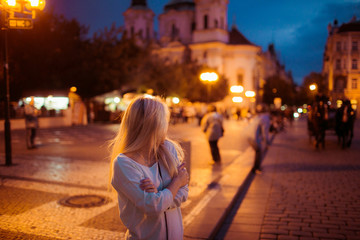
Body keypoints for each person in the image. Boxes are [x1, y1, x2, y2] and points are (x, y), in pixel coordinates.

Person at [109, 96, 189, 240]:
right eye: (164, 120)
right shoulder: (124, 163)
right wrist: (176, 183)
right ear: (152, 125)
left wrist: (158, 197)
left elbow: (184, 193)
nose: (166, 125)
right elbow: (153, 207)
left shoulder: (168, 149)